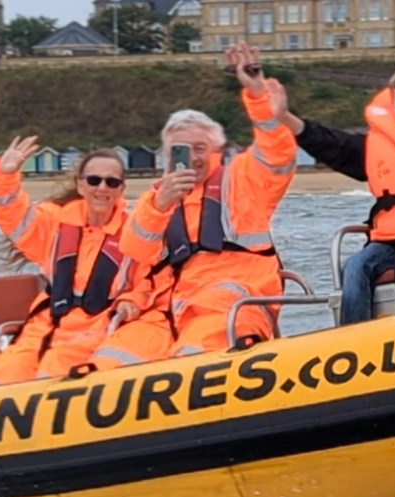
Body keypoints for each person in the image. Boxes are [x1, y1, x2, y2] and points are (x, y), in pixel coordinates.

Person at [90, 41, 296, 361]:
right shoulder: (155, 198)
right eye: (181, 150)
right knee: (111, 359)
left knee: (194, 354)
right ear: (167, 155)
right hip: (165, 311)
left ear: (214, 150)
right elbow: (135, 252)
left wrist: (257, 95)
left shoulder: (242, 180)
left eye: (200, 148)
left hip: (228, 305)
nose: (192, 158)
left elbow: (278, 153)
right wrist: (161, 205)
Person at [279, 64, 395, 324]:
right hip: (388, 240)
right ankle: (352, 337)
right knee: (356, 265)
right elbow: (333, 144)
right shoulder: (375, 145)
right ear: (393, 106)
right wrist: (287, 118)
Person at [0, 142, 149, 385]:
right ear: (81, 185)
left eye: (111, 182)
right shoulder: (53, 224)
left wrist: (131, 301)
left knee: (53, 374)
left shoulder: (134, 232)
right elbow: (11, 214)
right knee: (0, 378)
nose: (102, 188)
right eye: (94, 180)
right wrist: (5, 175)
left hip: (96, 330)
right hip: (43, 327)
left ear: (121, 189)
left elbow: (150, 282)